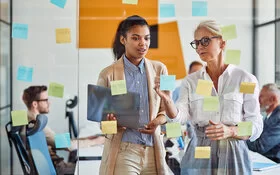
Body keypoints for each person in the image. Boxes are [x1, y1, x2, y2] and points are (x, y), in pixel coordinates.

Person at [154, 20, 263, 174]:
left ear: (222, 43)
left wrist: (231, 131)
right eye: (196, 43)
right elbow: (181, 116)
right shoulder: (191, 81)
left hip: (234, 151)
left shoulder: (244, 79)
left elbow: (256, 124)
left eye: (205, 41)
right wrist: (168, 101)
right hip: (200, 150)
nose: (199, 47)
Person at [97, 15, 172, 175]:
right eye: (135, 38)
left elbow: (168, 109)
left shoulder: (161, 69)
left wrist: (158, 120)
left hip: (154, 149)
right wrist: (111, 122)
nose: (142, 43)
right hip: (124, 151)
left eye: (146, 38)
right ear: (123, 39)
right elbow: (101, 122)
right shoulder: (107, 74)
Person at [22, 85, 105, 175]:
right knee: (94, 170)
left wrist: (87, 139)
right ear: (35, 104)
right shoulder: (36, 124)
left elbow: (61, 141)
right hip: (57, 168)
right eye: (46, 100)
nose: (49, 103)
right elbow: (67, 146)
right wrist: (96, 141)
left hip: (54, 166)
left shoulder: (30, 119)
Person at [247, 83, 280, 163]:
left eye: (261, 96)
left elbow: (260, 147)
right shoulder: (268, 116)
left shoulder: (278, 118)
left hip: (273, 163)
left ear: (272, 99)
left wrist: (239, 135)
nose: (257, 100)